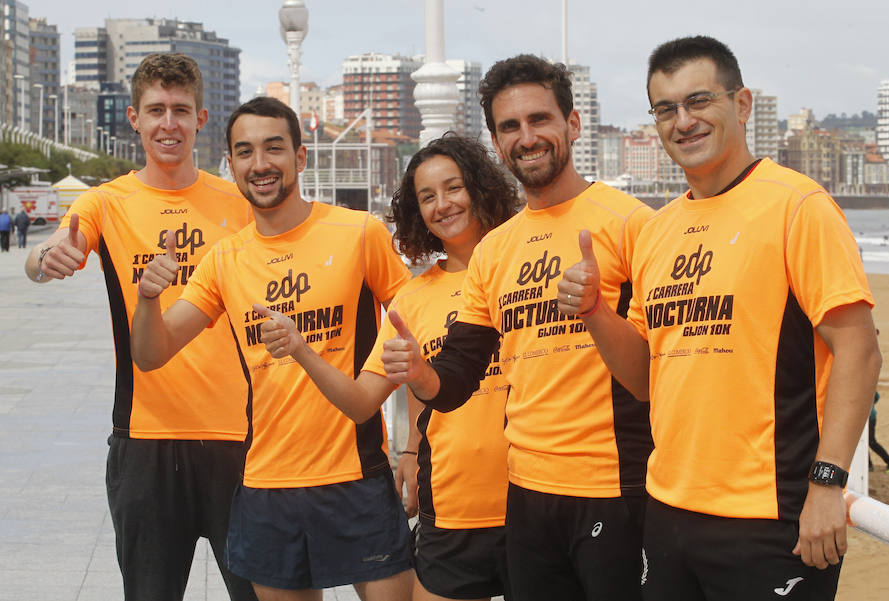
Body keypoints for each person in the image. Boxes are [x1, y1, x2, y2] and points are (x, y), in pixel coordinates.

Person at [557, 36, 881, 601]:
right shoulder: (656, 231)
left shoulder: (797, 206)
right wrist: (594, 313)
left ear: (743, 104)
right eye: (665, 108)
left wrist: (829, 483)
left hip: (771, 514)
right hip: (669, 509)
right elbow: (644, 378)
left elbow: (858, 349)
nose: (683, 121)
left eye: (699, 100)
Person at [381, 55, 654, 601]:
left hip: (615, 488)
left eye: (539, 119)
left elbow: (657, 375)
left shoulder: (633, 224)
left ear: (572, 124)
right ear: (496, 141)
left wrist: (596, 310)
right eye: (510, 127)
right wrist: (421, 375)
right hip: (526, 495)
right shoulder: (495, 250)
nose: (526, 138)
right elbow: (456, 377)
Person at [130, 96, 413, 601]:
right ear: (232, 164)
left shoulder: (359, 234)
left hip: (356, 474)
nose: (259, 165)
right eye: (245, 152)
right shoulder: (225, 259)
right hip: (266, 483)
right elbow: (152, 354)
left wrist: (413, 446)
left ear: (300, 158)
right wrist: (148, 299)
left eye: (273, 149)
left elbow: (415, 336)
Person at [23, 53, 257, 601]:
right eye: (156, 110)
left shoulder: (239, 203)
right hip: (145, 441)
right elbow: (55, 250)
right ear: (134, 117)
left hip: (239, 440)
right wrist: (43, 260)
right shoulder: (107, 203)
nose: (168, 124)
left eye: (181, 110)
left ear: (201, 119)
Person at [255, 133, 520, 601]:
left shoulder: (525, 270)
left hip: (535, 502)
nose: (443, 205)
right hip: (453, 514)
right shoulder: (413, 299)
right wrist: (301, 347)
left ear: (480, 187)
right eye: (427, 197)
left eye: (453, 187)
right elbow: (362, 403)